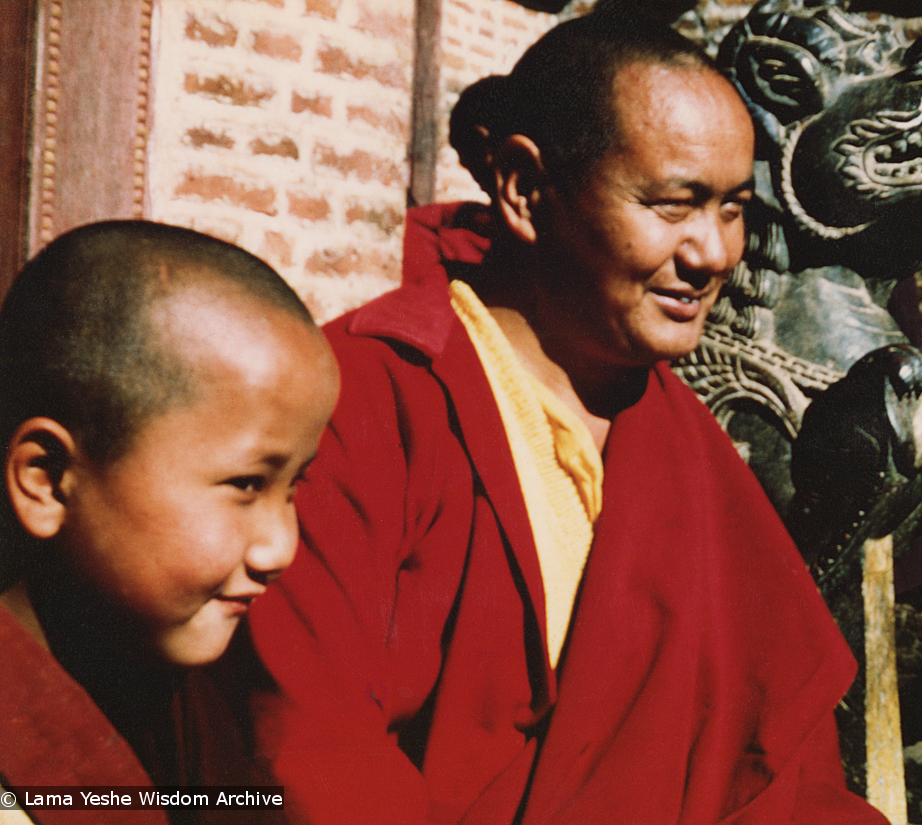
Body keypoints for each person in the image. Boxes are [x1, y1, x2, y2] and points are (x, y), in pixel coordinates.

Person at [247, 12, 888, 825]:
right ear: (523, 188)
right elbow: (304, 744)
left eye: (732, 209)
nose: (715, 253)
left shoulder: (681, 437)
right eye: (673, 204)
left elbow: (778, 761)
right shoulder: (369, 403)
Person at [0, 221, 339, 825]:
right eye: (246, 485)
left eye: (294, 487)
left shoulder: (185, 705)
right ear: (49, 481)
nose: (281, 547)